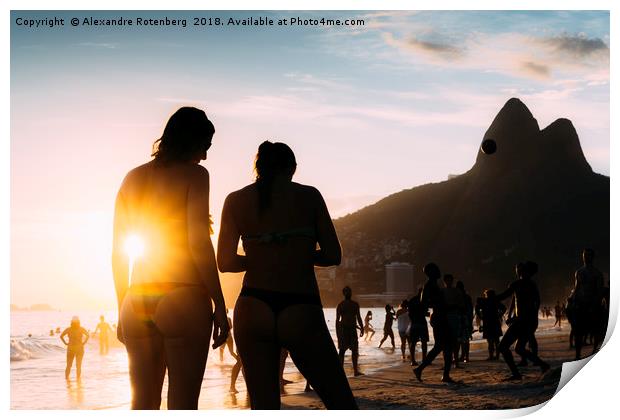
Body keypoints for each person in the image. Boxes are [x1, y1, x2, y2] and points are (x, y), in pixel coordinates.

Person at [217, 141, 357, 409]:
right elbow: (332, 255)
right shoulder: (309, 196)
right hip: (299, 303)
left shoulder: (236, 200)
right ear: (292, 168)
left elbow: (224, 262)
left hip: (253, 303)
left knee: (264, 406)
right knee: (341, 402)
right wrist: (299, 253)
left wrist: (259, 255)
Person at [112, 107, 229, 409]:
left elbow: (118, 251)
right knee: (183, 405)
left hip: (135, 300)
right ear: (191, 141)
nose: (205, 156)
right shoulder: (196, 175)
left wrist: (121, 304)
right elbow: (198, 242)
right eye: (205, 146)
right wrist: (219, 301)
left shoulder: (131, 178)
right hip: (183, 295)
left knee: (142, 404)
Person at [496, 262, 550, 380]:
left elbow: (504, 296)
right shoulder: (533, 284)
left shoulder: (517, 284)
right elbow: (536, 304)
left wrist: (490, 298)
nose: (518, 271)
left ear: (520, 271)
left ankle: (516, 374)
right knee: (519, 348)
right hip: (531, 322)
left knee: (503, 347)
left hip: (521, 322)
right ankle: (543, 365)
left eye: (518, 269)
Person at [413, 263, 455, 383]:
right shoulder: (429, 285)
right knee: (442, 346)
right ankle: (421, 369)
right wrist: (437, 305)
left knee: (445, 346)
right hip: (438, 317)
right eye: (436, 269)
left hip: (440, 316)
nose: (439, 271)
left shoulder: (434, 284)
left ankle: (442, 374)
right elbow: (423, 302)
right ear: (430, 272)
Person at [572, 248, 605, 359]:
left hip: (593, 305)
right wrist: (571, 298)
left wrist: (595, 304)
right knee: (577, 331)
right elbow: (576, 288)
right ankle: (577, 355)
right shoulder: (579, 272)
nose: (585, 257)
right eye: (584, 255)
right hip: (581, 305)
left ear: (592, 257)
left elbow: (599, 291)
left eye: (588, 255)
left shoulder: (597, 274)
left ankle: (595, 352)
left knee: (597, 331)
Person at [336, 286, 364, 377]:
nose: (348, 293)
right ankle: (341, 372)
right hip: (344, 330)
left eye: (349, 291)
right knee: (342, 351)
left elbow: (358, 317)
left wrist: (362, 327)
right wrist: (338, 333)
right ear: (344, 293)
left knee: (355, 350)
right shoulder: (340, 305)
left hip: (352, 329)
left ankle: (355, 371)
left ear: (351, 293)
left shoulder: (355, 304)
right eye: (347, 292)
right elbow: (337, 320)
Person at [442, 274, 465, 368]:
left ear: (452, 281)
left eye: (450, 280)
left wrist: (454, 307)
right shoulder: (442, 291)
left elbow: (462, 304)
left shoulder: (456, 291)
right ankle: (446, 363)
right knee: (445, 342)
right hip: (445, 318)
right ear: (444, 281)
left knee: (455, 341)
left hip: (454, 317)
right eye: (447, 280)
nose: (449, 282)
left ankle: (456, 363)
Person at [475, 289, 506, 360]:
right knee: (496, 340)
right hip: (495, 321)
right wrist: (499, 315)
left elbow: (477, 308)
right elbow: (504, 308)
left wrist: (480, 316)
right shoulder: (495, 301)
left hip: (487, 322)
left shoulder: (484, 302)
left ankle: (491, 356)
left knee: (490, 341)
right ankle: (497, 356)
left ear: (486, 295)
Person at [60, 316, 89, 380]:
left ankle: (67, 380)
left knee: (69, 366)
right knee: (78, 366)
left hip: (71, 348)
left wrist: (65, 343)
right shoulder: (81, 329)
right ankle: (78, 380)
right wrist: (84, 343)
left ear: (71, 322)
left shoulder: (69, 329)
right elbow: (88, 335)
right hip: (79, 348)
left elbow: (61, 336)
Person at [408, 288, 429, 366]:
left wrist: (413, 320)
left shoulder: (412, 300)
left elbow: (409, 313)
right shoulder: (424, 301)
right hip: (422, 323)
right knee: (424, 342)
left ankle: (412, 360)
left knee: (413, 342)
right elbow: (425, 312)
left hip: (414, 323)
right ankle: (424, 359)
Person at [455, 280, 473, 363]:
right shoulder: (467, 297)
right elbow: (470, 311)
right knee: (465, 340)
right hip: (466, 319)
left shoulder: (456, 296)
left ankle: (461, 356)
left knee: (458, 340)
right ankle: (466, 356)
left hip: (459, 319)